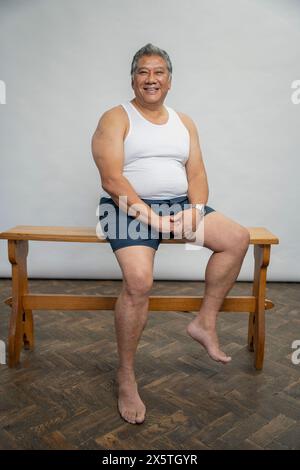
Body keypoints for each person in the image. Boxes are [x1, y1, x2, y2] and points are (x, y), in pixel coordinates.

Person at [91, 43, 250, 425]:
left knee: (237, 238)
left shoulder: (184, 121)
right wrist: (155, 221)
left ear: (169, 80)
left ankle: (204, 322)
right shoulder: (116, 117)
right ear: (133, 79)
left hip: (178, 204)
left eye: (159, 72)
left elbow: (196, 173)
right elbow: (112, 179)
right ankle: (126, 374)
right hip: (126, 206)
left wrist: (194, 210)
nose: (151, 79)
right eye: (144, 72)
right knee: (139, 282)